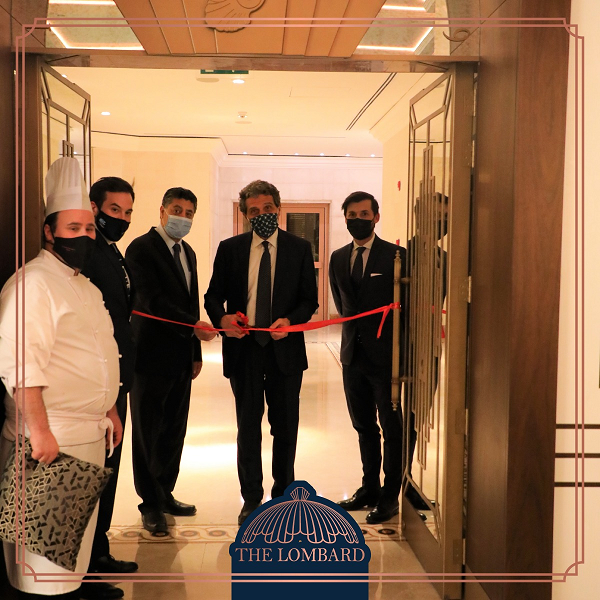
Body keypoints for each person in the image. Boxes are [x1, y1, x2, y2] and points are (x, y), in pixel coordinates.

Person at [0, 157, 122, 598]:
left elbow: (99, 354)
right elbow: (22, 368)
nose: (84, 236)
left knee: (72, 561)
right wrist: (40, 434)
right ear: (49, 232)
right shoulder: (32, 284)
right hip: (50, 445)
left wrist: (110, 408)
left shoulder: (84, 285)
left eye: (88, 228)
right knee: (44, 571)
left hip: (87, 437)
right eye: (73, 228)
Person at [204, 180, 318, 526]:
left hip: (285, 351)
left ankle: (283, 496)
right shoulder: (230, 249)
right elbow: (212, 297)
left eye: (268, 208)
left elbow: (309, 300)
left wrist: (291, 320)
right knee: (248, 427)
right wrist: (222, 319)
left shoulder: (299, 248)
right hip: (245, 350)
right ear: (245, 215)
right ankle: (251, 498)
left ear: (278, 209)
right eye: (254, 210)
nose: (262, 214)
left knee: (285, 428)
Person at [125, 187, 215, 536]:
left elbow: (191, 302)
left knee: (174, 430)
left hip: (180, 358)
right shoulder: (141, 248)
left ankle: (165, 493)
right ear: (161, 211)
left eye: (189, 213)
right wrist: (193, 326)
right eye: (177, 210)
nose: (183, 218)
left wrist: (195, 352)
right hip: (149, 356)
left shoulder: (187, 251)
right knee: (148, 432)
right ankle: (149, 504)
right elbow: (150, 300)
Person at [329, 191, 406, 524]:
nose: (357, 220)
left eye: (364, 214)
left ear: (376, 217)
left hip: (387, 358)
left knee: (392, 427)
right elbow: (343, 304)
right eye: (351, 215)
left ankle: (390, 495)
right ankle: (369, 487)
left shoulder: (396, 256)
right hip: (352, 357)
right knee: (363, 426)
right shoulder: (337, 258)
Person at [80, 177, 138, 600]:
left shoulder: (112, 251)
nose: (121, 218)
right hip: (98, 380)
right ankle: (84, 564)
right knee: (94, 471)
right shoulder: (88, 254)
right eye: (114, 210)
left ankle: (98, 550)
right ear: (94, 207)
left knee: (110, 469)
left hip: (117, 376)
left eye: (127, 211)